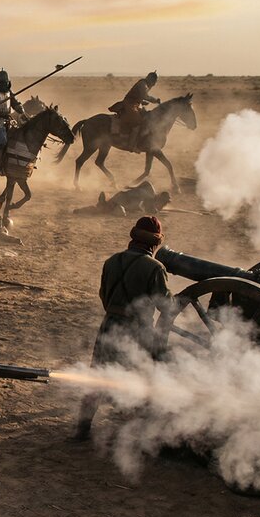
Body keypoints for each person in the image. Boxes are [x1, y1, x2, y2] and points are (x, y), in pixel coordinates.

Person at [72, 216, 173, 441]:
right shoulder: (155, 268)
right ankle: (138, 435)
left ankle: (82, 429)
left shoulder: (112, 262)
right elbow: (166, 306)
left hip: (110, 324)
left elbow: (104, 296)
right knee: (143, 377)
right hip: (137, 329)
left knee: (98, 374)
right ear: (154, 244)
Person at [109, 72, 160, 151]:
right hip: (130, 105)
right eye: (154, 81)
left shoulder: (144, 84)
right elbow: (145, 96)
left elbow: (139, 96)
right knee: (137, 124)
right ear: (151, 79)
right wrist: (155, 100)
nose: (154, 84)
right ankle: (131, 146)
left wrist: (142, 102)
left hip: (135, 105)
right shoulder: (142, 85)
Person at [75, 181, 172, 217]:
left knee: (104, 210)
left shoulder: (150, 193)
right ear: (160, 198)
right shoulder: (150, 198)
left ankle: (101, 204)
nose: (163, 205)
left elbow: (147, 183)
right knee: (103, 211)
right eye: (163, 203)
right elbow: (150, 210)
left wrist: (134, 188)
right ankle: (79, 211)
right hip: (117, 202)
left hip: (119, 200)